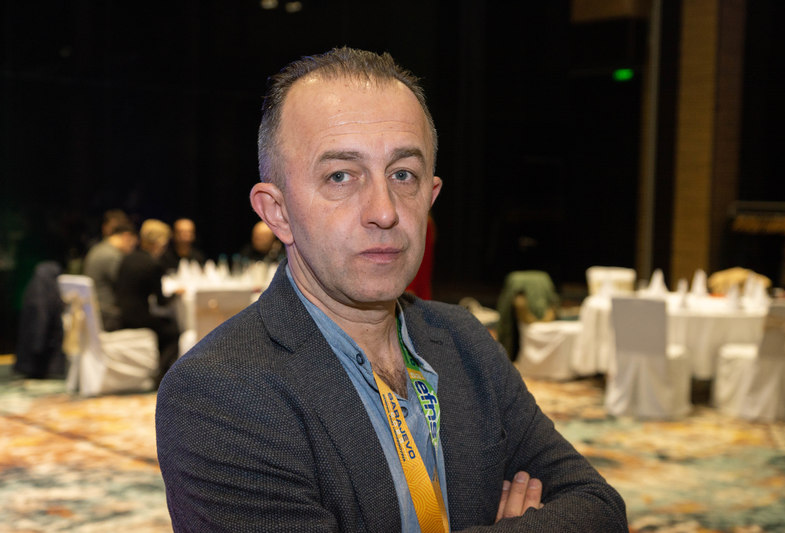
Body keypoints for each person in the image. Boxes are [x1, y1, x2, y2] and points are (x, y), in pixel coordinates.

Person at [156, 47, 627, 532]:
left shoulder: (463, 340)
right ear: (277, 212)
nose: (384, 211)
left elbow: (600, 509)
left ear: (430, 196)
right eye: (340, 176)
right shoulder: (219, 391)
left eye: (403, 175)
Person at [116, 219, 180, 386]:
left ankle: (159, 374)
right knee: (173, 331)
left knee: (164, 327)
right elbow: (161, 301)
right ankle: (161, 376)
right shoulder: (153, 264)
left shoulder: (128, 258)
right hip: (138, 317)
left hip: (122, 313)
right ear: (160, 242)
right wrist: (176, 294)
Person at [82, 220, 138, 330]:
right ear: (126, 237)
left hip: (94, 309)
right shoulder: (112, 256)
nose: (131, 250)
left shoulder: (98, 248)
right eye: (132, 245)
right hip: (107, 314)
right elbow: (127, 285)